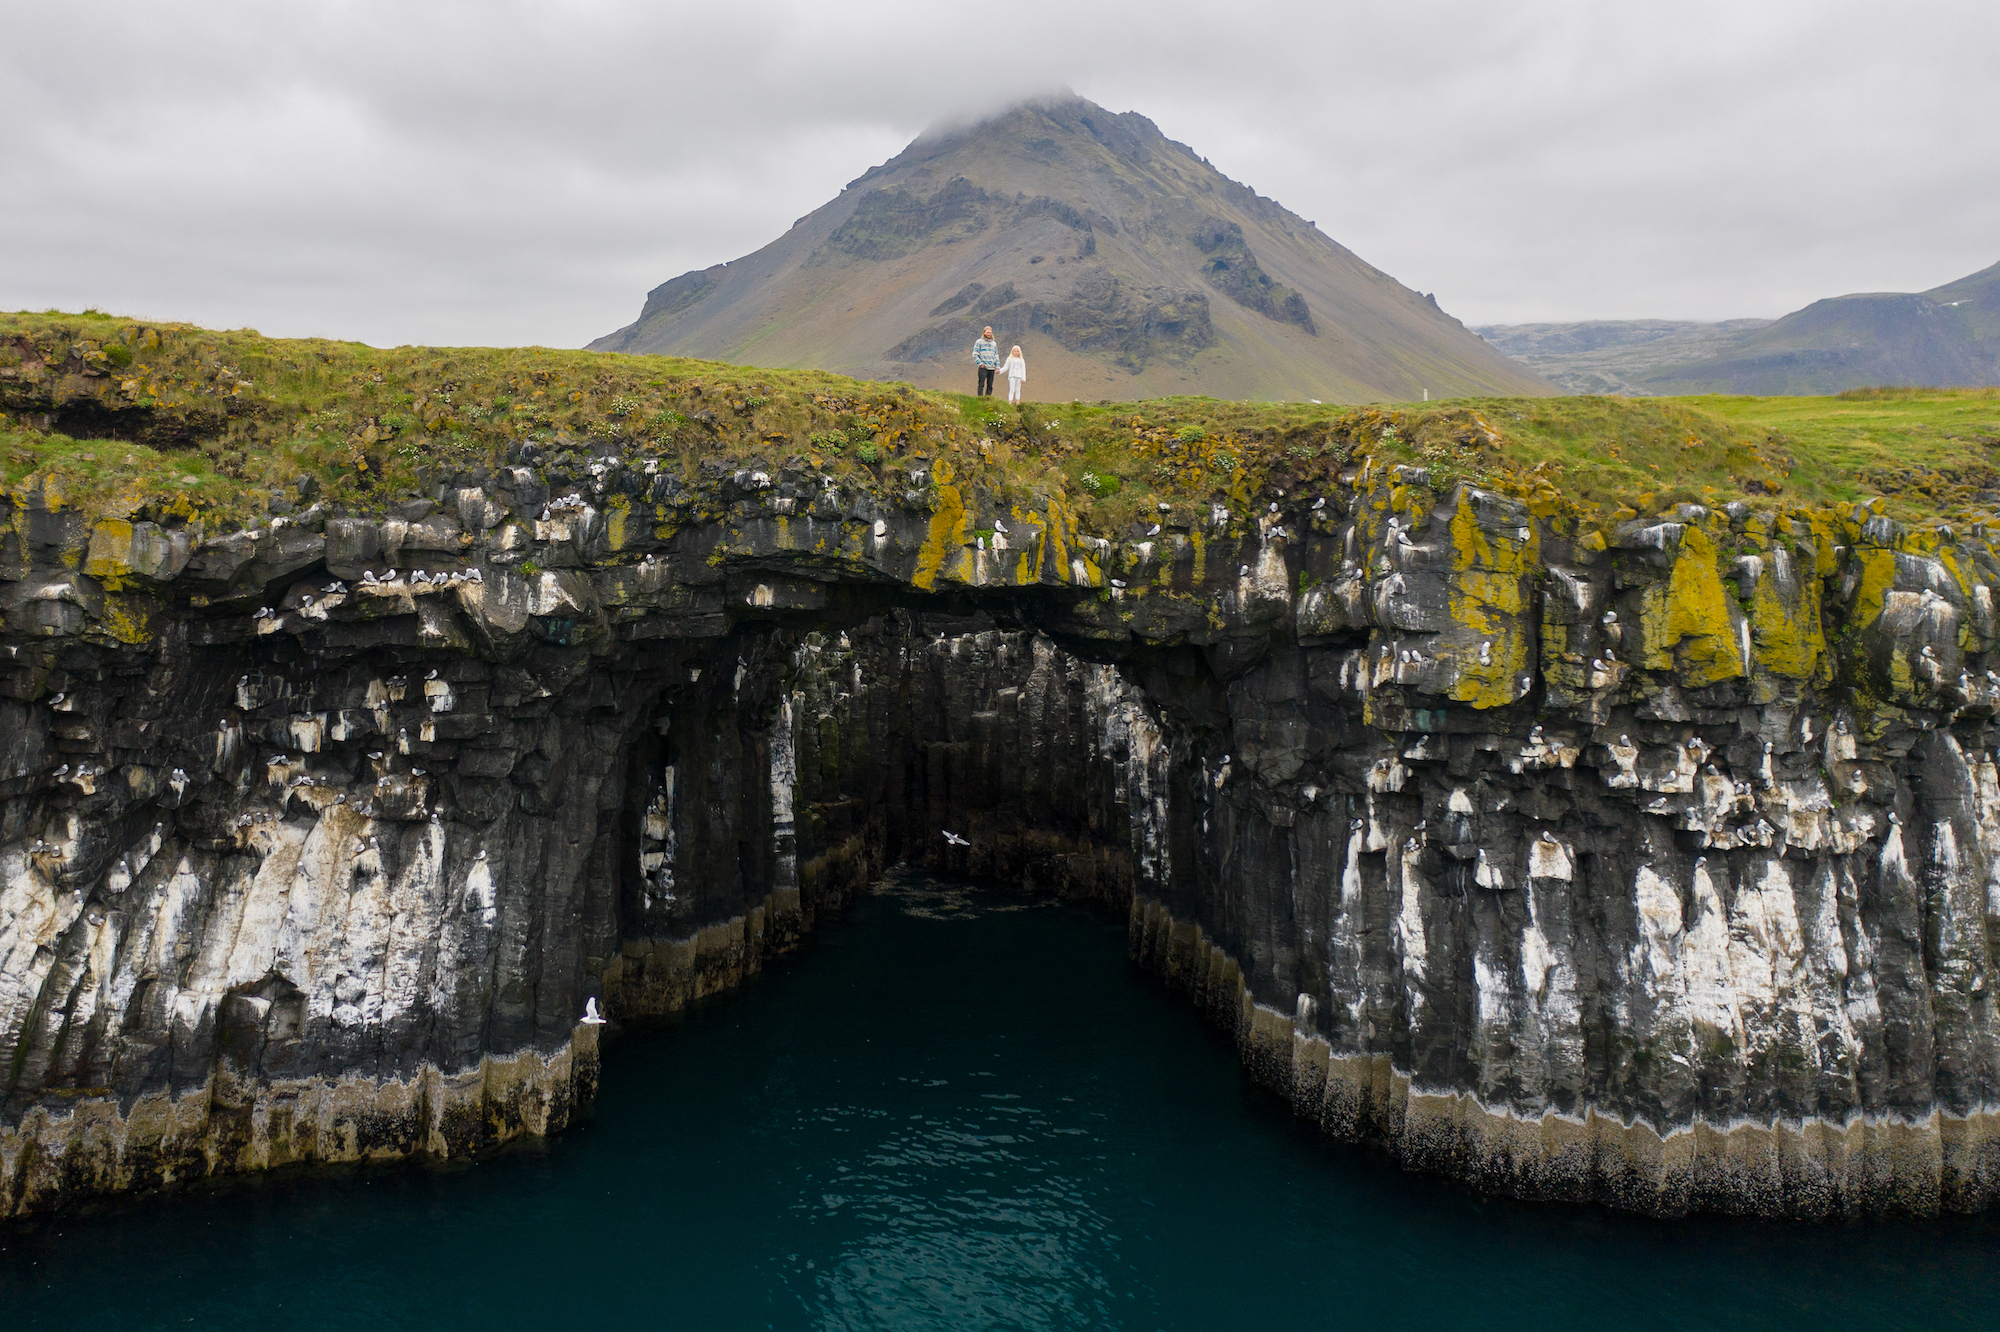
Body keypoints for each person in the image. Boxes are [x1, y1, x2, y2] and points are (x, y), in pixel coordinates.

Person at [972, 327, 998, 396]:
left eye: (990, 332)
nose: (989, 334)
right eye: (987, 332)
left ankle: (987, 399)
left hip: (992, 367)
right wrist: (980, 363)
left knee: (990, 385)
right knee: (981, 384)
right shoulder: (979, 342)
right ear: (984, 333)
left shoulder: (994, 343)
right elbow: (975, 354)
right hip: (983, 367)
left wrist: (997, 366)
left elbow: (996, 355)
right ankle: (980, 399)